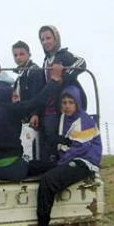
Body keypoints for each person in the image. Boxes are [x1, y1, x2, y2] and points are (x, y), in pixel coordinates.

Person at [24, 85, 102, 226]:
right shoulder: (65, 118)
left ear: (77, 103)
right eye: (64, 102)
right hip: (68, 159)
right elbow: (67, 145)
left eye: (71, 102)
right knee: (32, 165)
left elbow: (78, 150)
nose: (67, 106)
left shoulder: (84, 121)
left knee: (48, 180)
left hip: (84, 163)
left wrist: (58, 164)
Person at [0, 72, 63, 182]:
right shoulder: (12, 110)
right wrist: (53, 81)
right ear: (8, 98)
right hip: (14, 169)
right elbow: (38, 101)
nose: (18, 100)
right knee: (50, 166)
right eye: (15, 97)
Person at [31, 25, 87, 162]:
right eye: (42, 39)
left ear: (56, 38)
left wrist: (64, 77)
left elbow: (82, 63)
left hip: (63, 105)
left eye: (48, 38)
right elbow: (45, 86)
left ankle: (66, 162)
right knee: (47, 136)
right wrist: (36, 112)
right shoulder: (46, 61)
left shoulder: (64, 55)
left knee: (62, 137)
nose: (45, 42)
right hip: (49, 107)